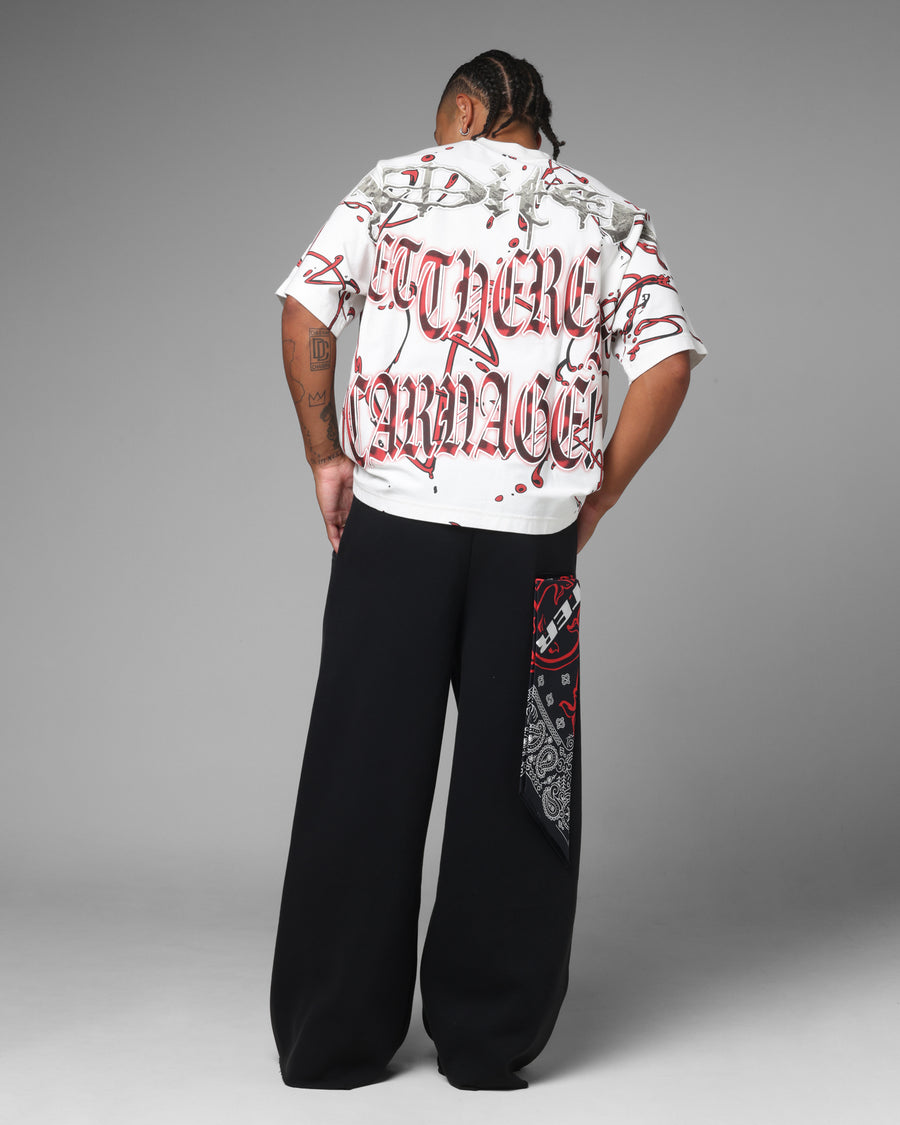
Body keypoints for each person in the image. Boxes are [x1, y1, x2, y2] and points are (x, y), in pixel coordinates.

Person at [269, 48, 708, 1092]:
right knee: (525, 778)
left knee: (359, 769)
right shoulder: (608, 214)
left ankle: (333, 1036)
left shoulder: (393, 184)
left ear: (465, 109)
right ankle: (487, 1038)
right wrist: (596, 497)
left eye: (442, 116)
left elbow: (305, 314)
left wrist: (325, 454)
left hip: (394, 528)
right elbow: (665, 363)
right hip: (533, 545)